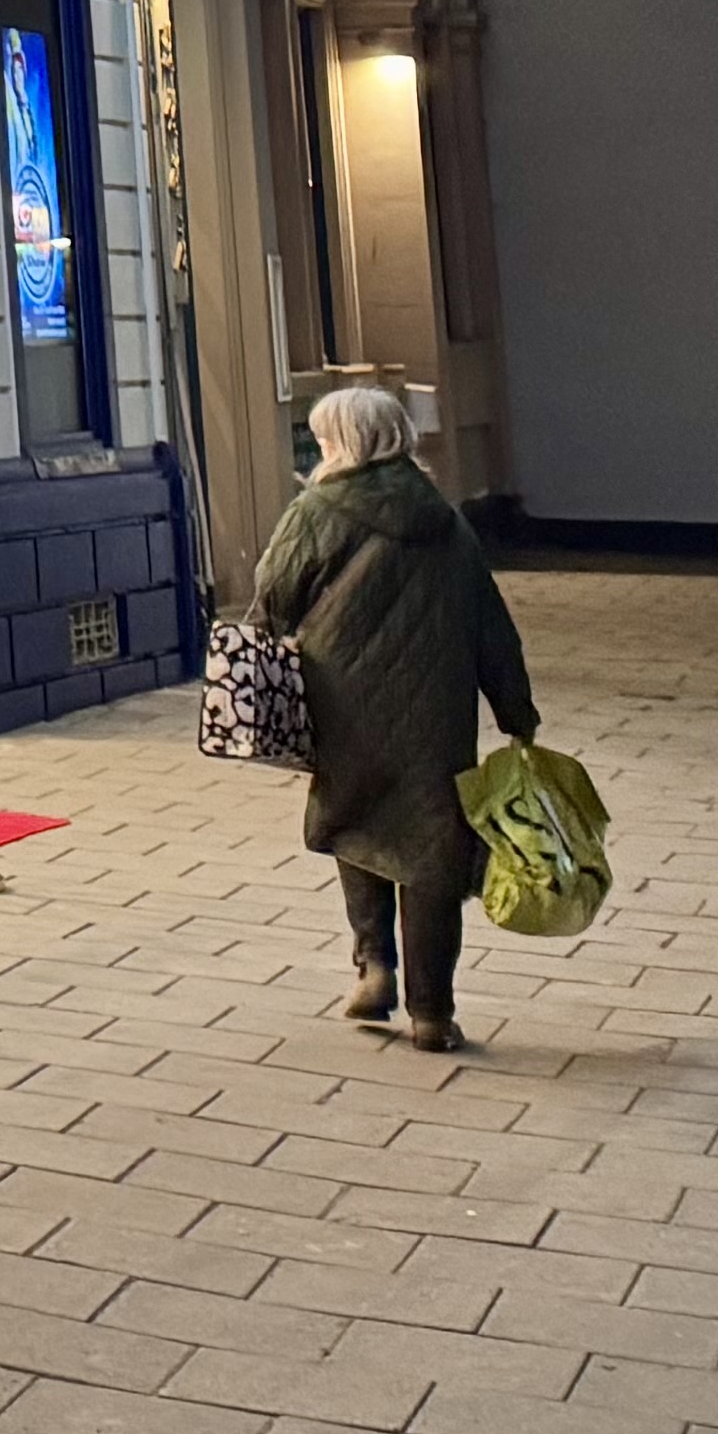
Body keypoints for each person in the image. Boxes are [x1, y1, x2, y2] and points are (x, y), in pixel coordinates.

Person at [250, 380, 539, 1052]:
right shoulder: (445, 517)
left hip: (342, 702)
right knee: (433, 848)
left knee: (357, 821)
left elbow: (271, 598)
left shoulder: (318, 510)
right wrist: (515, 709)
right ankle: (433, 1013)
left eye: (324, 438)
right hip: (437, 708)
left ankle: (374, 966)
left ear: (346, 443)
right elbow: (489, 622)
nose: (318, 448)